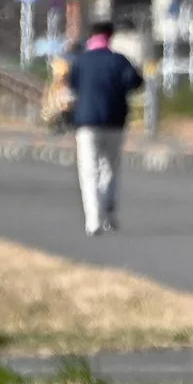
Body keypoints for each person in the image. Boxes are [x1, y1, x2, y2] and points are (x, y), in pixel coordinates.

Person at [68, 23, 143, 237]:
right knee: (110, 167)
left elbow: (73, 86)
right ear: (111, 37)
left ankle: (93, 220)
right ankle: (109, 207)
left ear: (91, 37)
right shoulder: (119, 61)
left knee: (88, 170)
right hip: (114, 121)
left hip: (86, 122)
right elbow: (136, 82)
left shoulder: (81, 61)